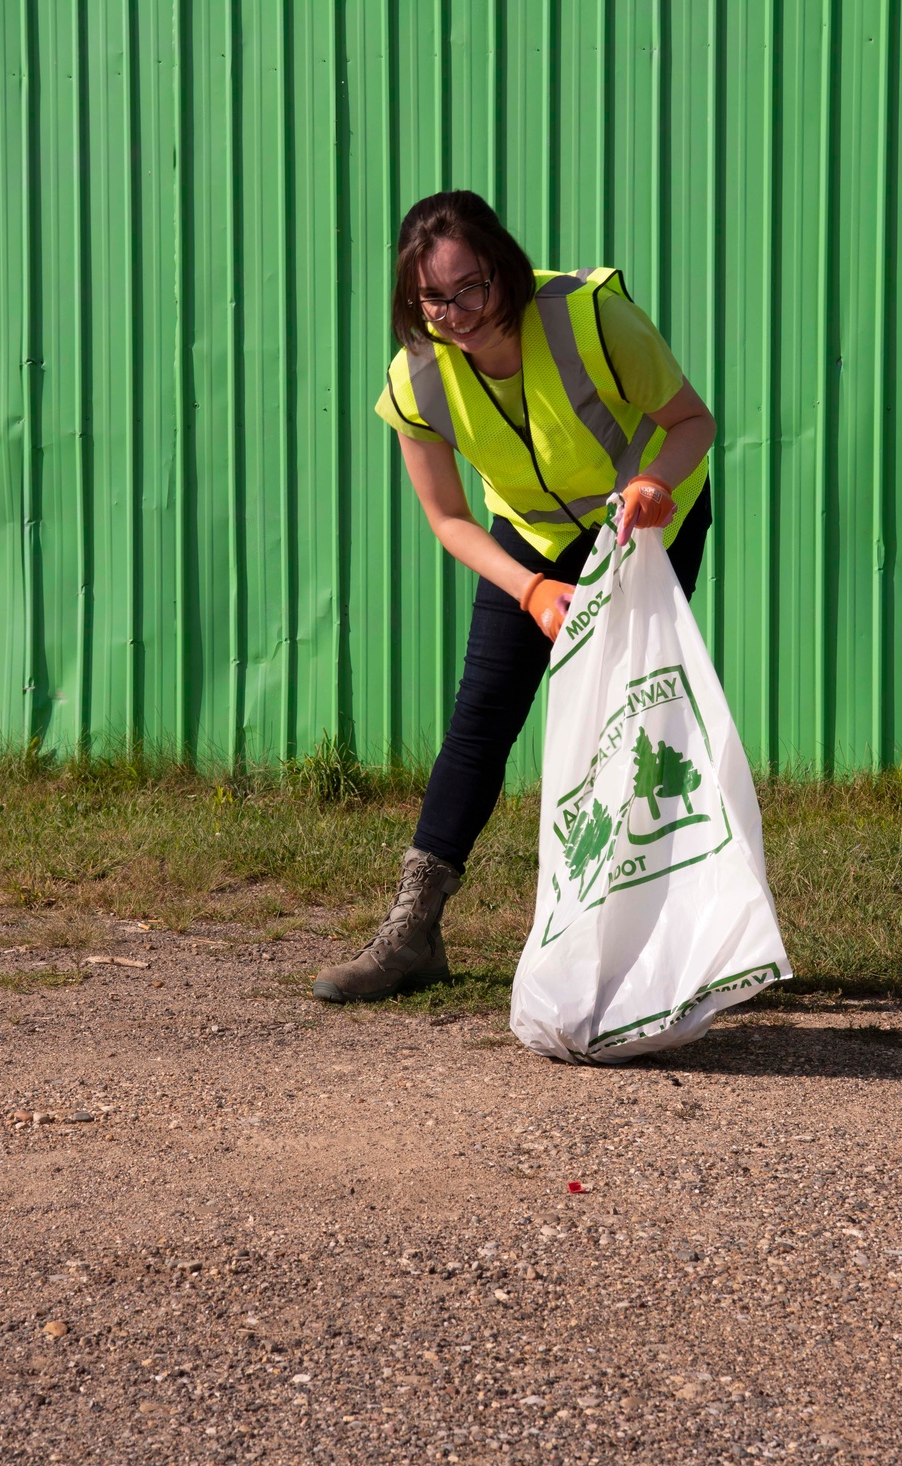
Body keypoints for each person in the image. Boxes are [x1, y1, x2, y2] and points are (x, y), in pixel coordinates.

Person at [314, 191, 716, 1003]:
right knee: (482, 715)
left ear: (503, 268)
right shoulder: (417, 379)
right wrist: (531, 590)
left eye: (471, 288)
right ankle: (412, 932)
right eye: (433, 297)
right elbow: (449, 519)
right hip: (529, 541)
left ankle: (641, 944)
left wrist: (649, 486)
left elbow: (691, 422)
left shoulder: (591, 316)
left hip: (643, 520)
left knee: (628, 723)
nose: (455, 313)